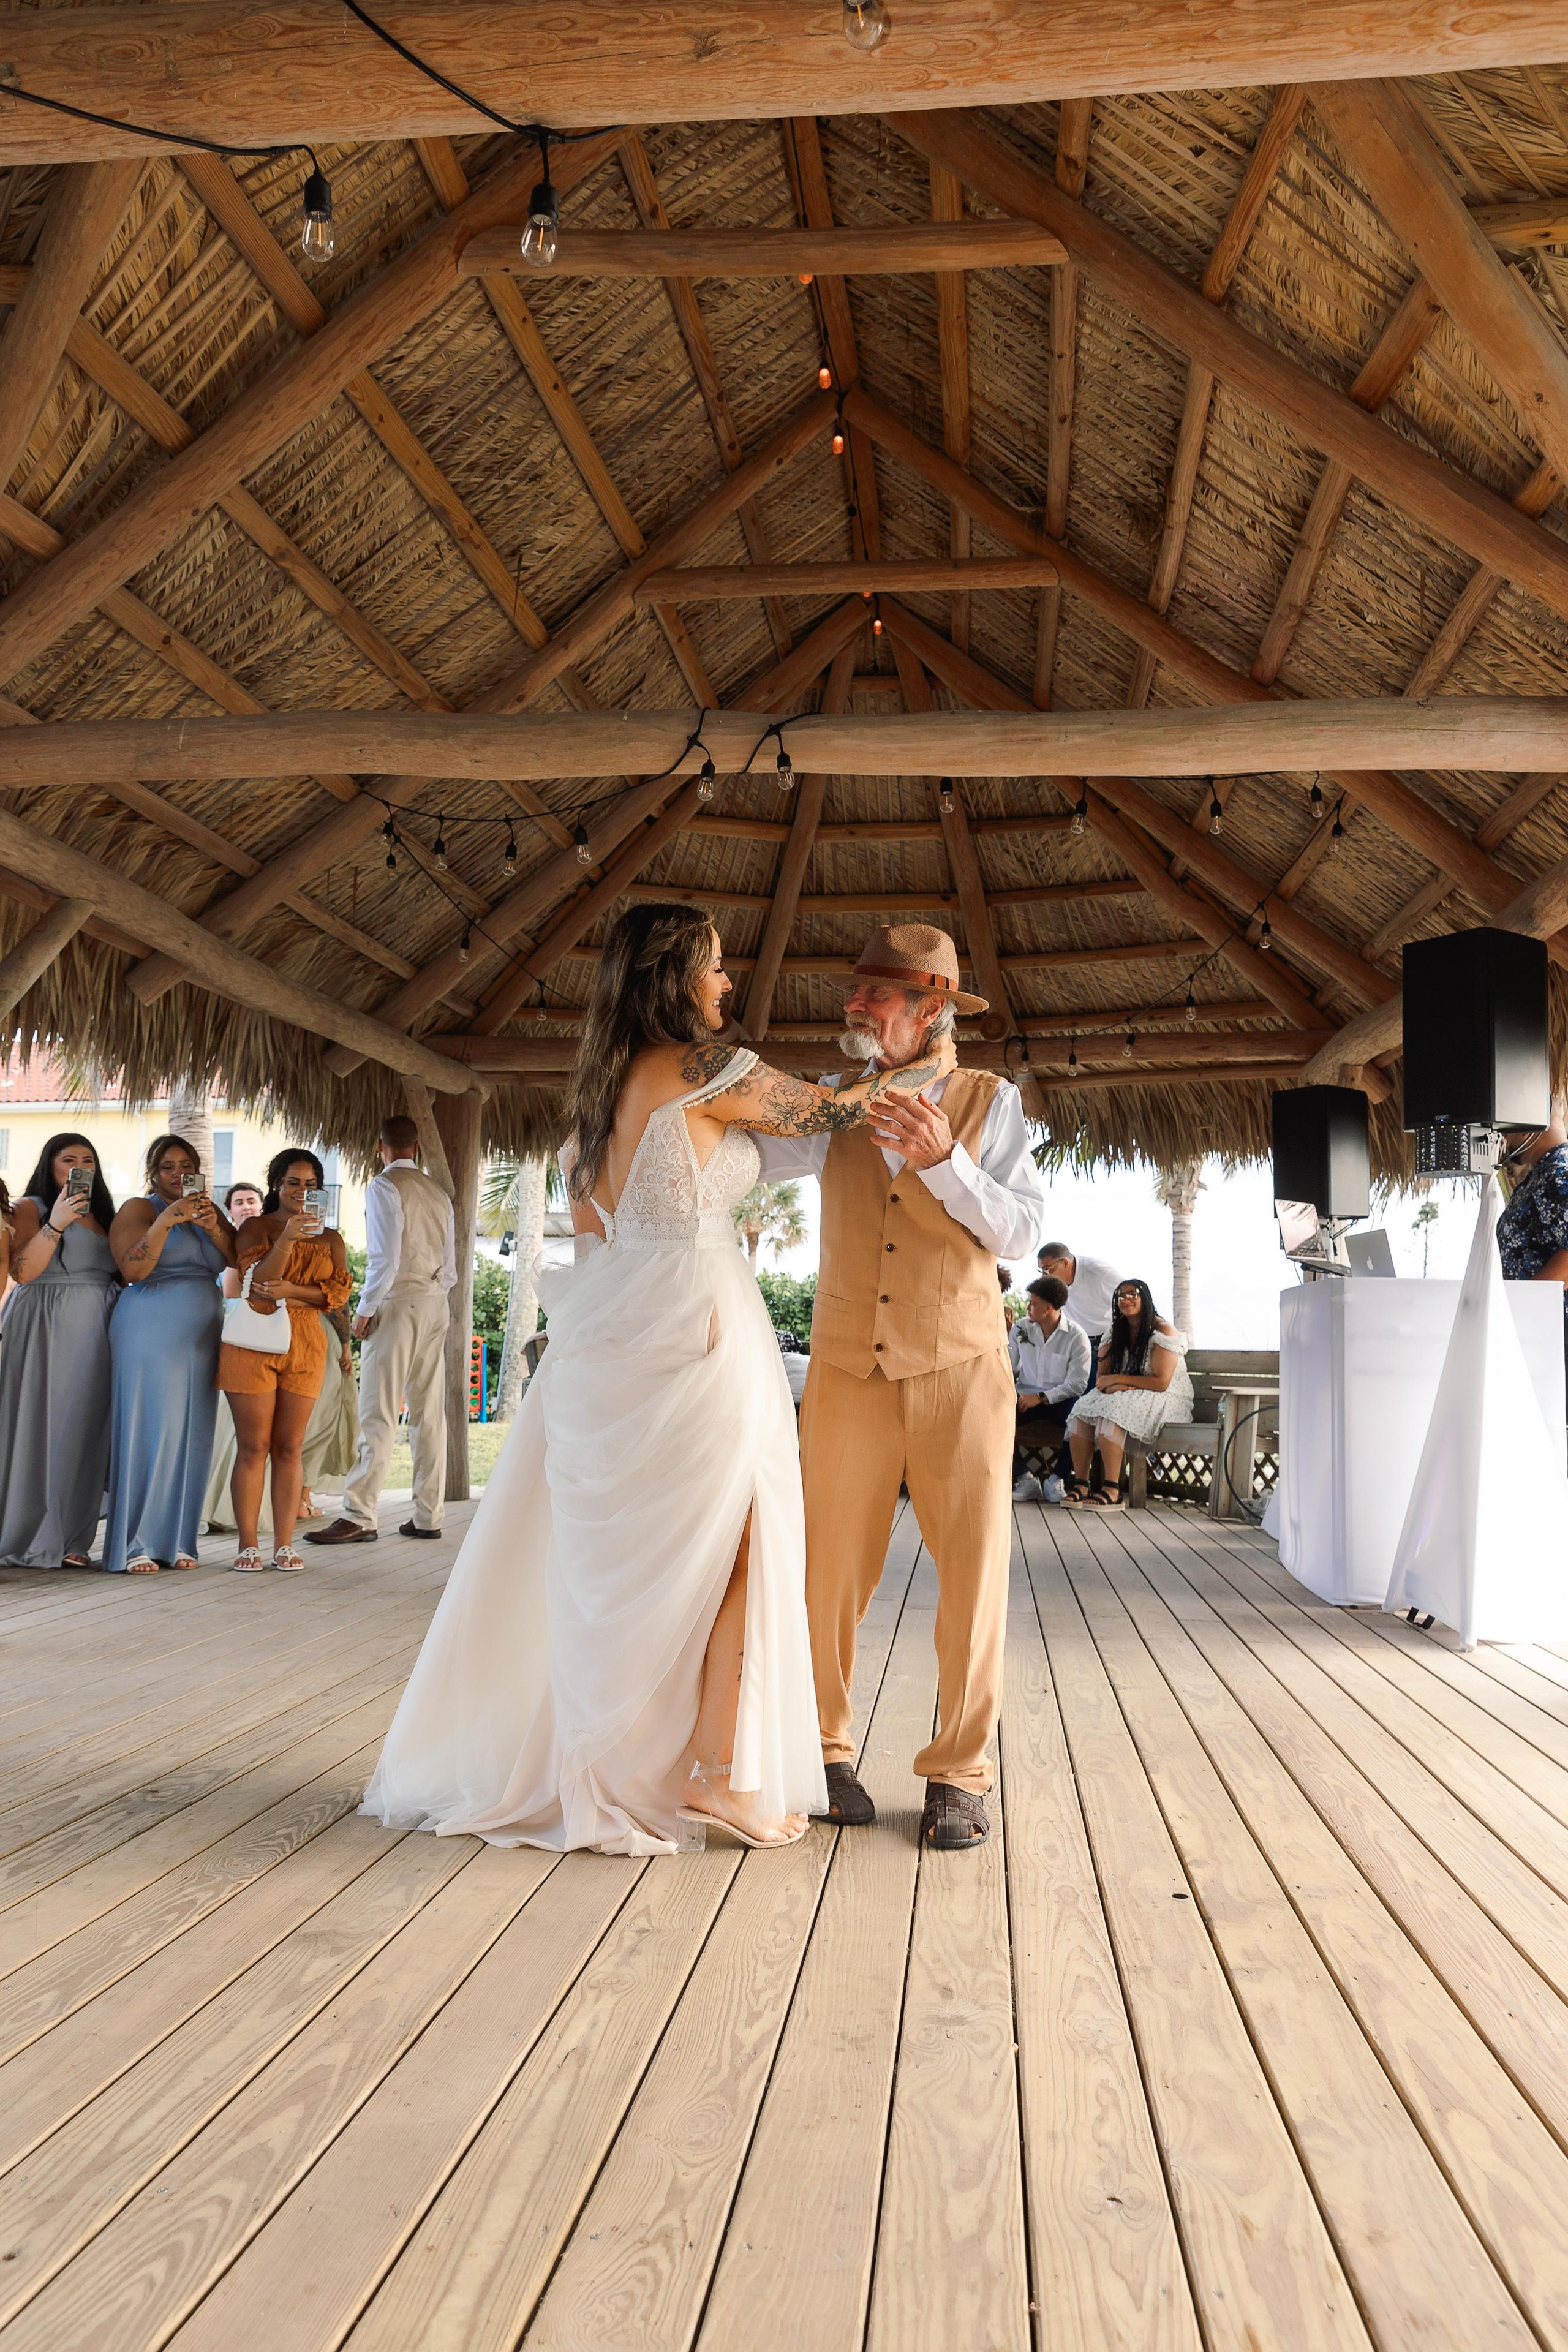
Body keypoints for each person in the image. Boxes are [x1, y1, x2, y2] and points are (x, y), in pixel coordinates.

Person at [362, 902, 952, 1857]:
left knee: (652, 1561)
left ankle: (663, 1761)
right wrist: (929, 1063)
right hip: (703, 1328)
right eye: (716, 969)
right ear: (677, 977)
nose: (726, 984)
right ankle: (714, 1771)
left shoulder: (597, 1098)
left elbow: (595, 1237)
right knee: (743, 1538)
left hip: (613, 1337)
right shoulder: (705, 1068)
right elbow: (836, 1111)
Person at [755, 924, 1046, 1852]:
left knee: (972, 1579)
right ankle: (823, 1755)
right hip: (846, 1366)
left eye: (874, 997)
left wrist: (943, 1163)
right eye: (857, 993)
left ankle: (959, 1775)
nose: (854, 1008)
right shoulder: (833, 1103)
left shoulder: (992, 1104)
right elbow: (749, 1164)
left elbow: (1018, 1233)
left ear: (929, 1010)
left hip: (962, 1367)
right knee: (825, 1574)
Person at [307, 1115, 456, 1548]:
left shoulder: (383, 1186)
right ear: (418, 1148)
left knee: (378, 1411)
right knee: (430, 1414)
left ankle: (359, 1514)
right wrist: (433, 1297)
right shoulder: (439, 1193)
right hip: (434, 1304)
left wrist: (366, 1309)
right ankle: (429, 1514)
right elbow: (450, 1265)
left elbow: (385, 1257)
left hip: (398, 1302)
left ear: (381, 1146)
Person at [102, 1134, 235, 1574]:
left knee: (193, 1431)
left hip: (202, 1331)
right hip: (150, 1326)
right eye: (167, 1167)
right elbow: (133, 1269)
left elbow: (238, 1259)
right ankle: (134, 1541)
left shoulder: (209, 1212)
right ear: (154, 1174)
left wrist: (212, 1225)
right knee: (150, 1428)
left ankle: (178, 1538)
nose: (178, 1173)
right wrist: (169, 1221)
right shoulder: (140, 1210)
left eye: (186, 1165)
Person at [217, 1149, 351, 1573]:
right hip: (255, 1336)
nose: (301, 1191)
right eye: (293, 1182)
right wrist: (289, 1238)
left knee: (290, 1447)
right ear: (276, 1183)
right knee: (254, 1446)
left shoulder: (331, 1239)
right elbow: (258, 1284)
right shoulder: (257, 1225)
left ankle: (285, 1545)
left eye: (311, 1185)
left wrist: (291, 1289)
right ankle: (248, 1544)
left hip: (307, 1340)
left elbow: (338, 1296)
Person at [0, 1134, 120, 1568]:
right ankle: (30, 1535)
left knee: (86, 1428)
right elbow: (23, 1271)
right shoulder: (31, 1206)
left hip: (99, 1328)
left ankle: (74, 1536)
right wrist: (58, 1221)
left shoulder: (106, 1215)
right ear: (49, 1165)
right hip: (45, 1322)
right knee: (43, 1424)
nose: (77, 1166)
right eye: (67, 1159)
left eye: (87, 1159)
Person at [1065, 1277, 1193, 1511]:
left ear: (1145, 1298)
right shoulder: (1115, 1332)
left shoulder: (1163, 1330)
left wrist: (1117, 1381)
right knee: (1081, 1408)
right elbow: (1101, 1379)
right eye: (1121, 1296)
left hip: (1166, 1397)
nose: (1126, 1300)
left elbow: (1161, 1382)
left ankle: (1113, 1489)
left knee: (1113, 1411)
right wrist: (1113, 1385)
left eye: (1133, 1294)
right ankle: (1082, 1483)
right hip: (1126, 1393)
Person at [1496, 1096, 1568, 1396]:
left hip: (1553, 1339)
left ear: (1528, 1127)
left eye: (1508, 1129)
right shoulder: (1542, 1174)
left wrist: (1524, 1305)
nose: (1505, 1138)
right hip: (1540, 1337)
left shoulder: (1560, 1171)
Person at [1010, 1274, 1091, 1501]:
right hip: (1024, 1398)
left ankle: (1057, 1479)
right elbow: (1007, 1367)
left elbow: (1077, 1384)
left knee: (1079, 1418)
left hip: (1061, 1401)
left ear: (1048, 1308)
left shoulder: (1077, 1337)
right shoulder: (1020, 1329)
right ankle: (1025, 1478)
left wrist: (1042, 1397)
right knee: (993, 1416)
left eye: (1033, 1303)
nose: (1028, 1307)